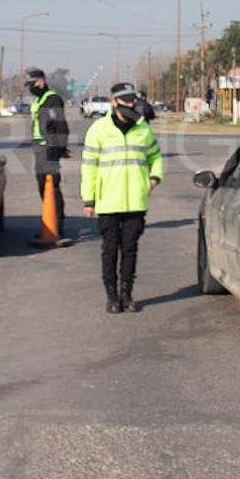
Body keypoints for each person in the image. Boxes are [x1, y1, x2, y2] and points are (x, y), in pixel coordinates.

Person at [81, 82, 164, 313]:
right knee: (110, 251)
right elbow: (89, 167)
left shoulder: (143, 129)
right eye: (125, 100)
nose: (130, 104)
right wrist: (89, 201)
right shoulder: (99, 130)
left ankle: (127, 294)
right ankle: (111, 296)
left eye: (133, 100)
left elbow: (155, 157)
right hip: (108, 203)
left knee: (130, 250)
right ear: (114, 102)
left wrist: (154, 178)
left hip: (136, 203)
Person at [24, 67, 71, 236]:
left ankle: (56, 225)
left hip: (48, 148)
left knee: (51, 186)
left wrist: (59, 148)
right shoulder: (39, 100)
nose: (30, 87)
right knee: (42, 186)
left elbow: (59, 125)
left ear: (41, 81)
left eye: (32, 83)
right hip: (39, 147)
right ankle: (49, 222)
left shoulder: (52, 100)